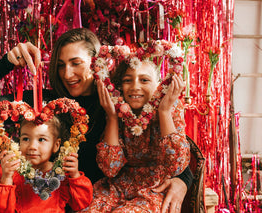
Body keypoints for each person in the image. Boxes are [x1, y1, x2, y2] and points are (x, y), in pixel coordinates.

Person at [0, 28, 192, 212]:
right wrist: (5, 62)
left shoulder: (118, 100)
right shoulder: (45, 103)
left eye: (76, 63)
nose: (67, 74)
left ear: (96, 62)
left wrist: (183, 179)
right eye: (60, 66)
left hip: (100, 200)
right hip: (46, 204)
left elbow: (166, 144)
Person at [81, 56, 190, 212]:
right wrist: (111, 116)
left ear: (159, 86)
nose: (135, 87)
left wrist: (164, 111)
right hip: (117, 188)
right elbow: (110, 168)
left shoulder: (171, 107)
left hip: (154, 189)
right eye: (127, 80)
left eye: (144, 80)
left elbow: (177, 165)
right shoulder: (117, 109)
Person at [0, 116, 93, 212]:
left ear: (56, 145)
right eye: (26, 139)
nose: (32, 146)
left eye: (41, 139)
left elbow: (82, 204)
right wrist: (6, 178)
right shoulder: (13, 173)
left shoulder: (61, 173)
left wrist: (75, 175)